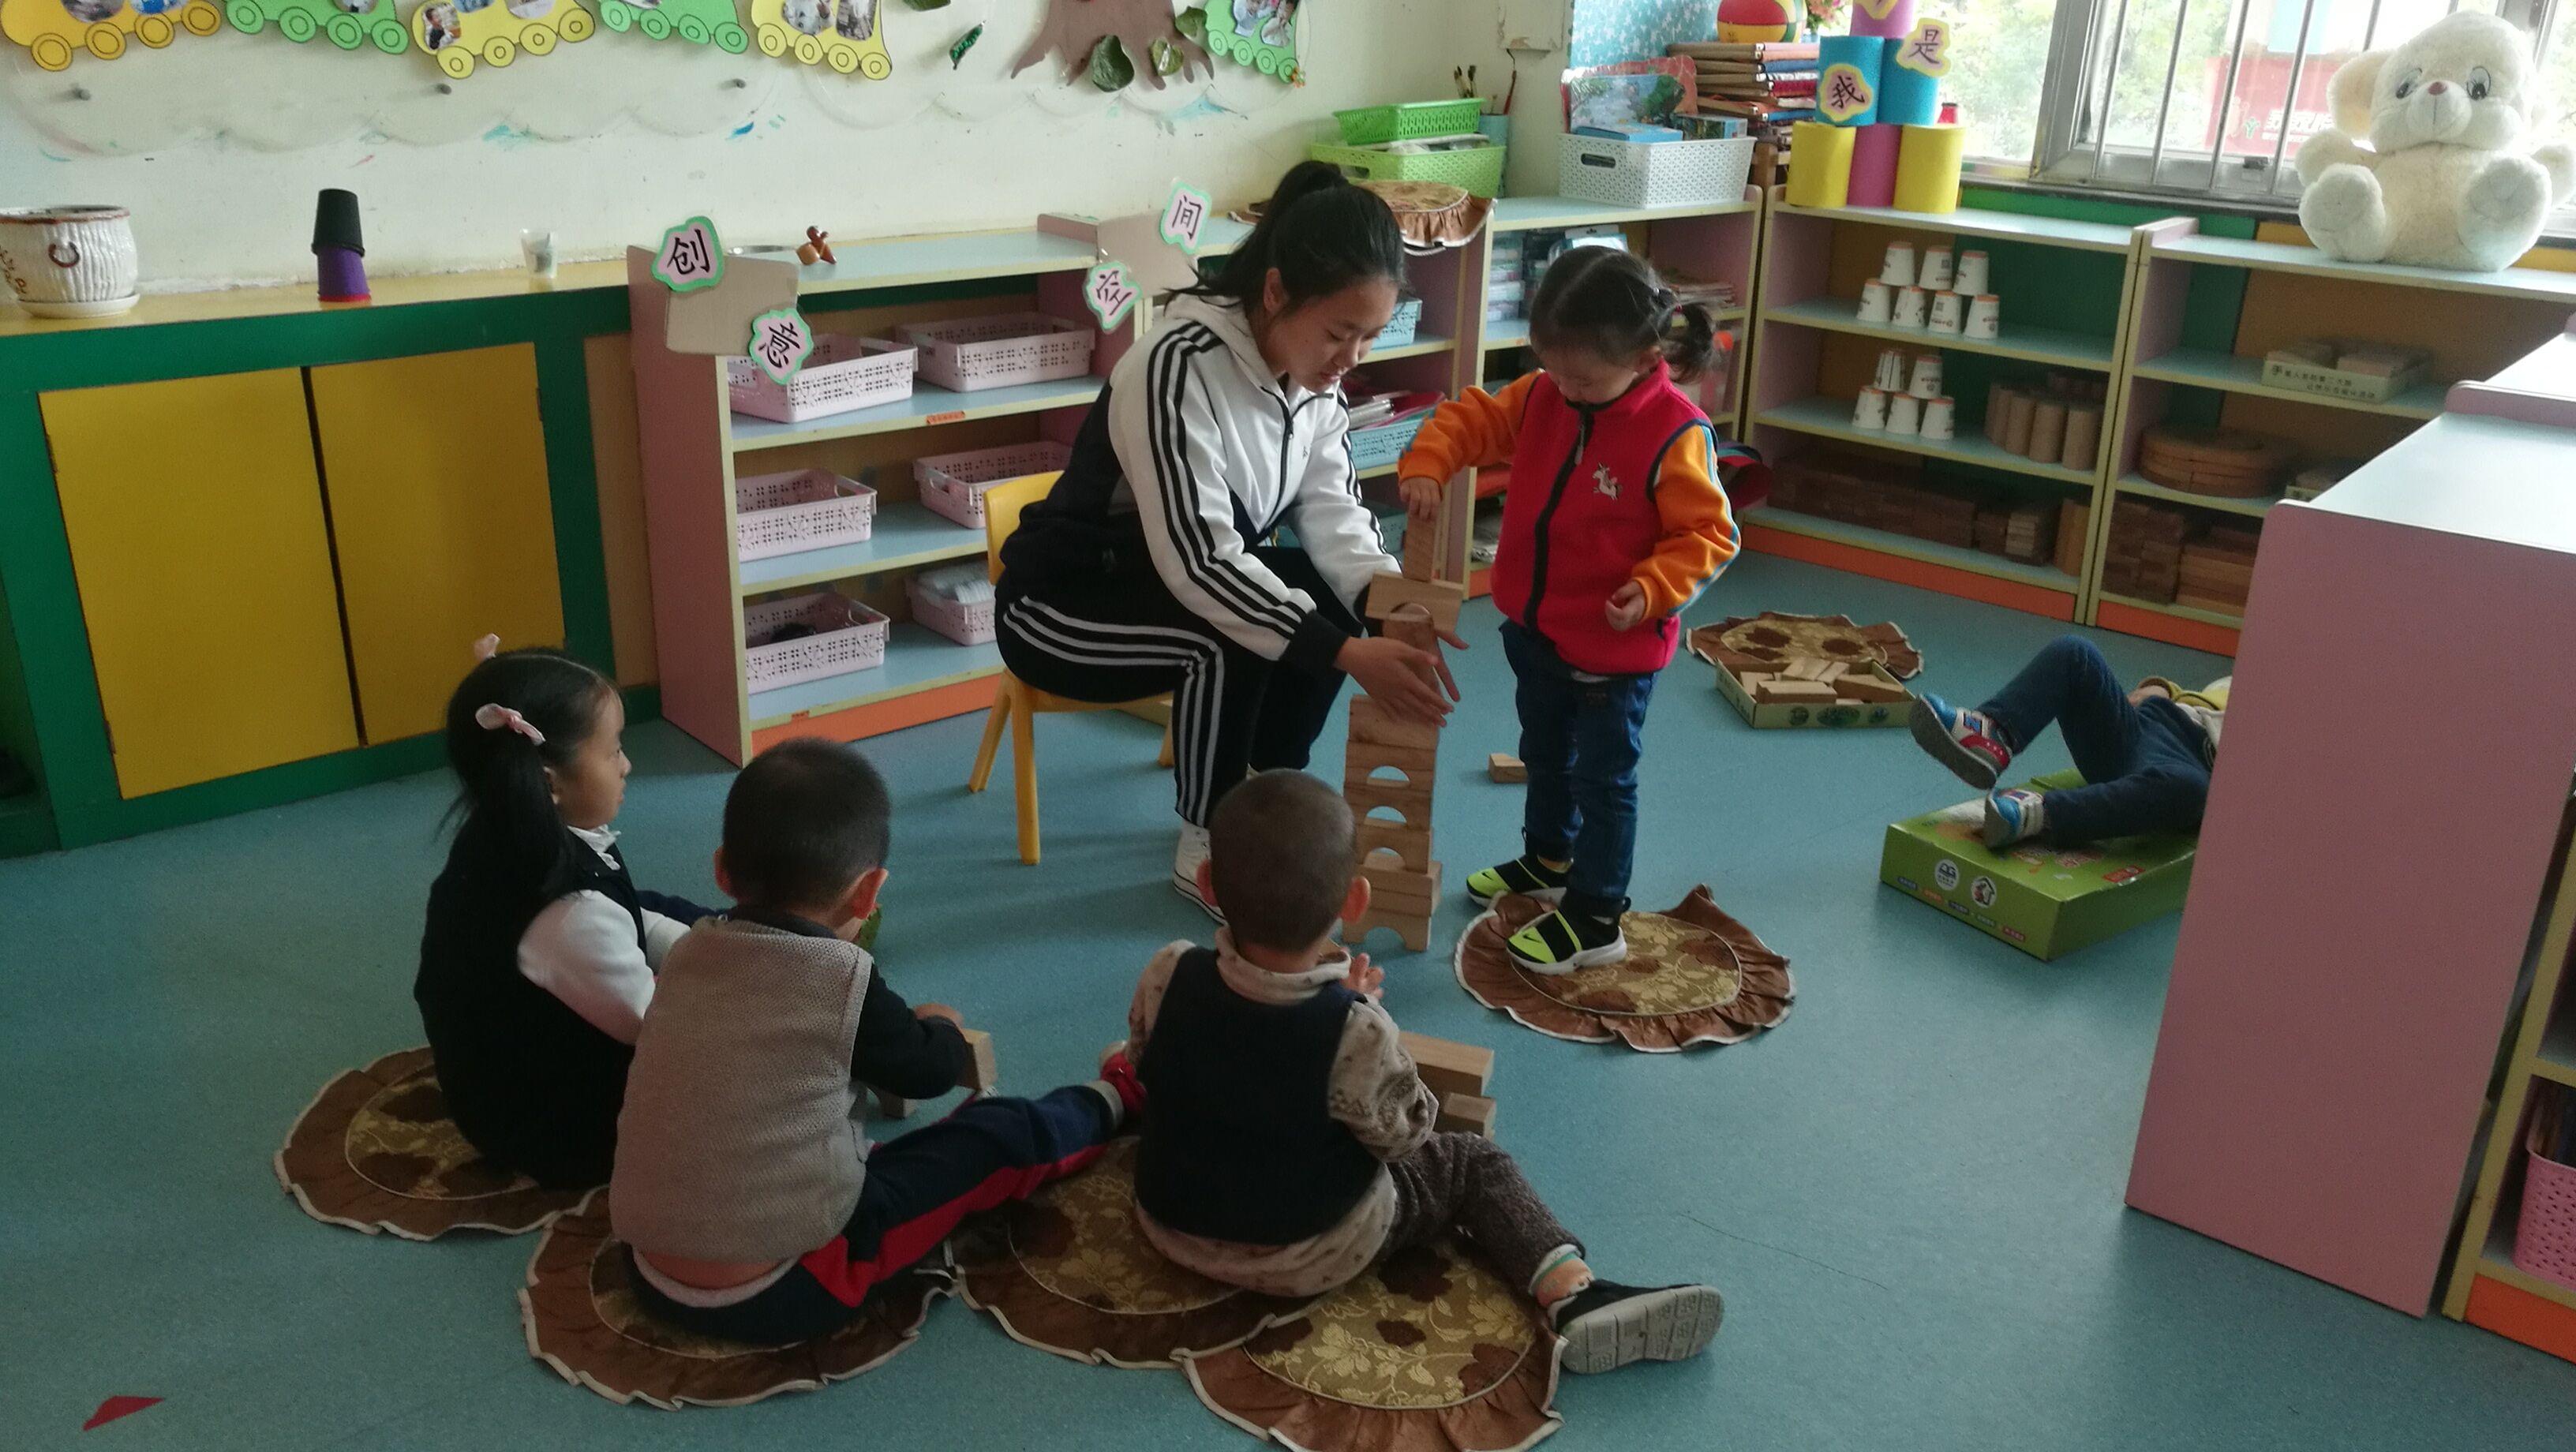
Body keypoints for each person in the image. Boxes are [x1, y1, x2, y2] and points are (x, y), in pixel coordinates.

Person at [1121, 770, 1723, 1373]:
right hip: (1309, 1253)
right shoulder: (1355, 1029)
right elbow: (1406, 1136)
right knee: (1471, 1163)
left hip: (1170, 1222)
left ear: (1208, 882)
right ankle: (1573, 1293)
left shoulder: (1169, 970)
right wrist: (1363, 1010)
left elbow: (1145, 1062)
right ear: (1355, 900)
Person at [996, 161, 1461, 918]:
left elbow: (1333, 511)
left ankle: (1262, 800)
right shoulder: (1174, 365)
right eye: (1340, 333)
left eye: (1370, 337)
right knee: (1235, 633)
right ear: (1275, 293)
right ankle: (1210, 845)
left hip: (1162, 581)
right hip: (1062, 603)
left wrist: (1390, 608)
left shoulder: (1314, 376)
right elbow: (1203, 564)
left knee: (1318, 599)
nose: (1352, 358)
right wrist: (1346, 653)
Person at [610, 740, 1140, 1345]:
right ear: (868, 892)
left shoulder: (686, 952)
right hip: (786, 1288)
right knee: (995, 1136)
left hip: (647, 1267)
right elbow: (929, 1072)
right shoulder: (841, 978)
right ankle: (1119, 1095)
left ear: (722, 870)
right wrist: (940, 1026)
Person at [1397, 247, 1760, 971]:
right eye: (1554, 372)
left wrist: (1653, 587)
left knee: (1603, 782)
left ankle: (1596, 916)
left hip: (1613, 653)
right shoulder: (1545, 395)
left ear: (1646, 358)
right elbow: (1469, 420)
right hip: (1536, 631)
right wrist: (1429, 463)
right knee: (1544, 755)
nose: (1565, 390)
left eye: (1583, 380)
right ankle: (1549, 861)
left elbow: (1710, 535)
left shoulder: (1676, 431)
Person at [414, 639, 718, 1189]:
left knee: (678, 921)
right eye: (614, 751)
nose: (627, 765)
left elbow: (629, 915)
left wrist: (703, 945)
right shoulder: (568, 912)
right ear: (551, 781)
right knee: (743, 1074)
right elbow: (660, 1029)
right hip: (555, 1127)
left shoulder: (512, 827)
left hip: (502, 1074)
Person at [1911, 635, 2230, 848]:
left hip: (2187, 765)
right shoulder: (2240, 682)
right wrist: (2161, 687)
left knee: (2191, 789)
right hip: (2148, 724)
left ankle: (2042, 814)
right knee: (2076, 653)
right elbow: (2199, 694)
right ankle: (1991, 735)